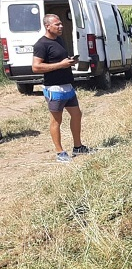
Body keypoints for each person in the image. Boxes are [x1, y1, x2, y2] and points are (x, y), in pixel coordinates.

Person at [31, 14, 90, 162]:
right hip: (54, 88)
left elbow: (59, 60)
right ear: (47, 26)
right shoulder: (41, 45)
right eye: (57, 24)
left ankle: (78, 147)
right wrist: (60, 65)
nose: (61, 26)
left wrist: (69, 61)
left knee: (77, 114)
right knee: (56, 121)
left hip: (68, 86)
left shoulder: (59, 40)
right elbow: (36, 67)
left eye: (61, 24)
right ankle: (60, 153)